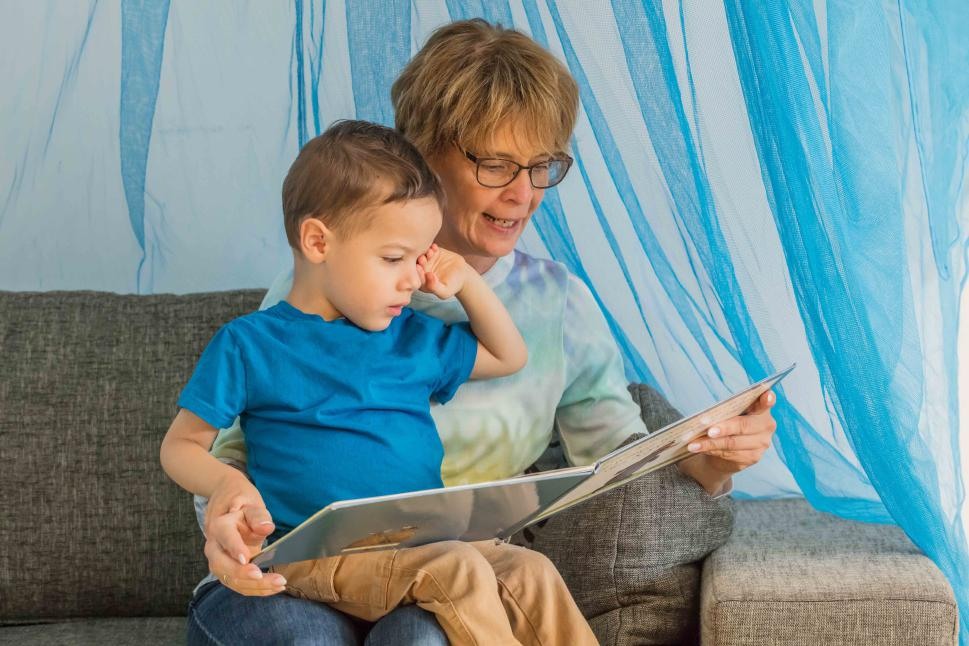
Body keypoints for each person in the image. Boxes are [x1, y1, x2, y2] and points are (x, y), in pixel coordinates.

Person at [188, 19, 778, 644]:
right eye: (497, 165)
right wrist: (227, 523)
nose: (523, 194)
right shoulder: (326, 284)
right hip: (293, 570)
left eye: (541, 166)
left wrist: (710, 464)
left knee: (423, 634)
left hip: (445, 571)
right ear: (421, 154)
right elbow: (228, 453)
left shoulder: (558, 305)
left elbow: (615, 466)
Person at [163, 120, 599, 646]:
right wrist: (226, 483)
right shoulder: (251, 344)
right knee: (456, 569)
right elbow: (181, 446)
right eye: (394, 259)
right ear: (318, 241)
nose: (414, 279)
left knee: (530, 571)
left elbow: (509, 355)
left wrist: (466, 283)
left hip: (414, 547)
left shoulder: (411, 337)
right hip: (311, 555)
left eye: (419, 259)